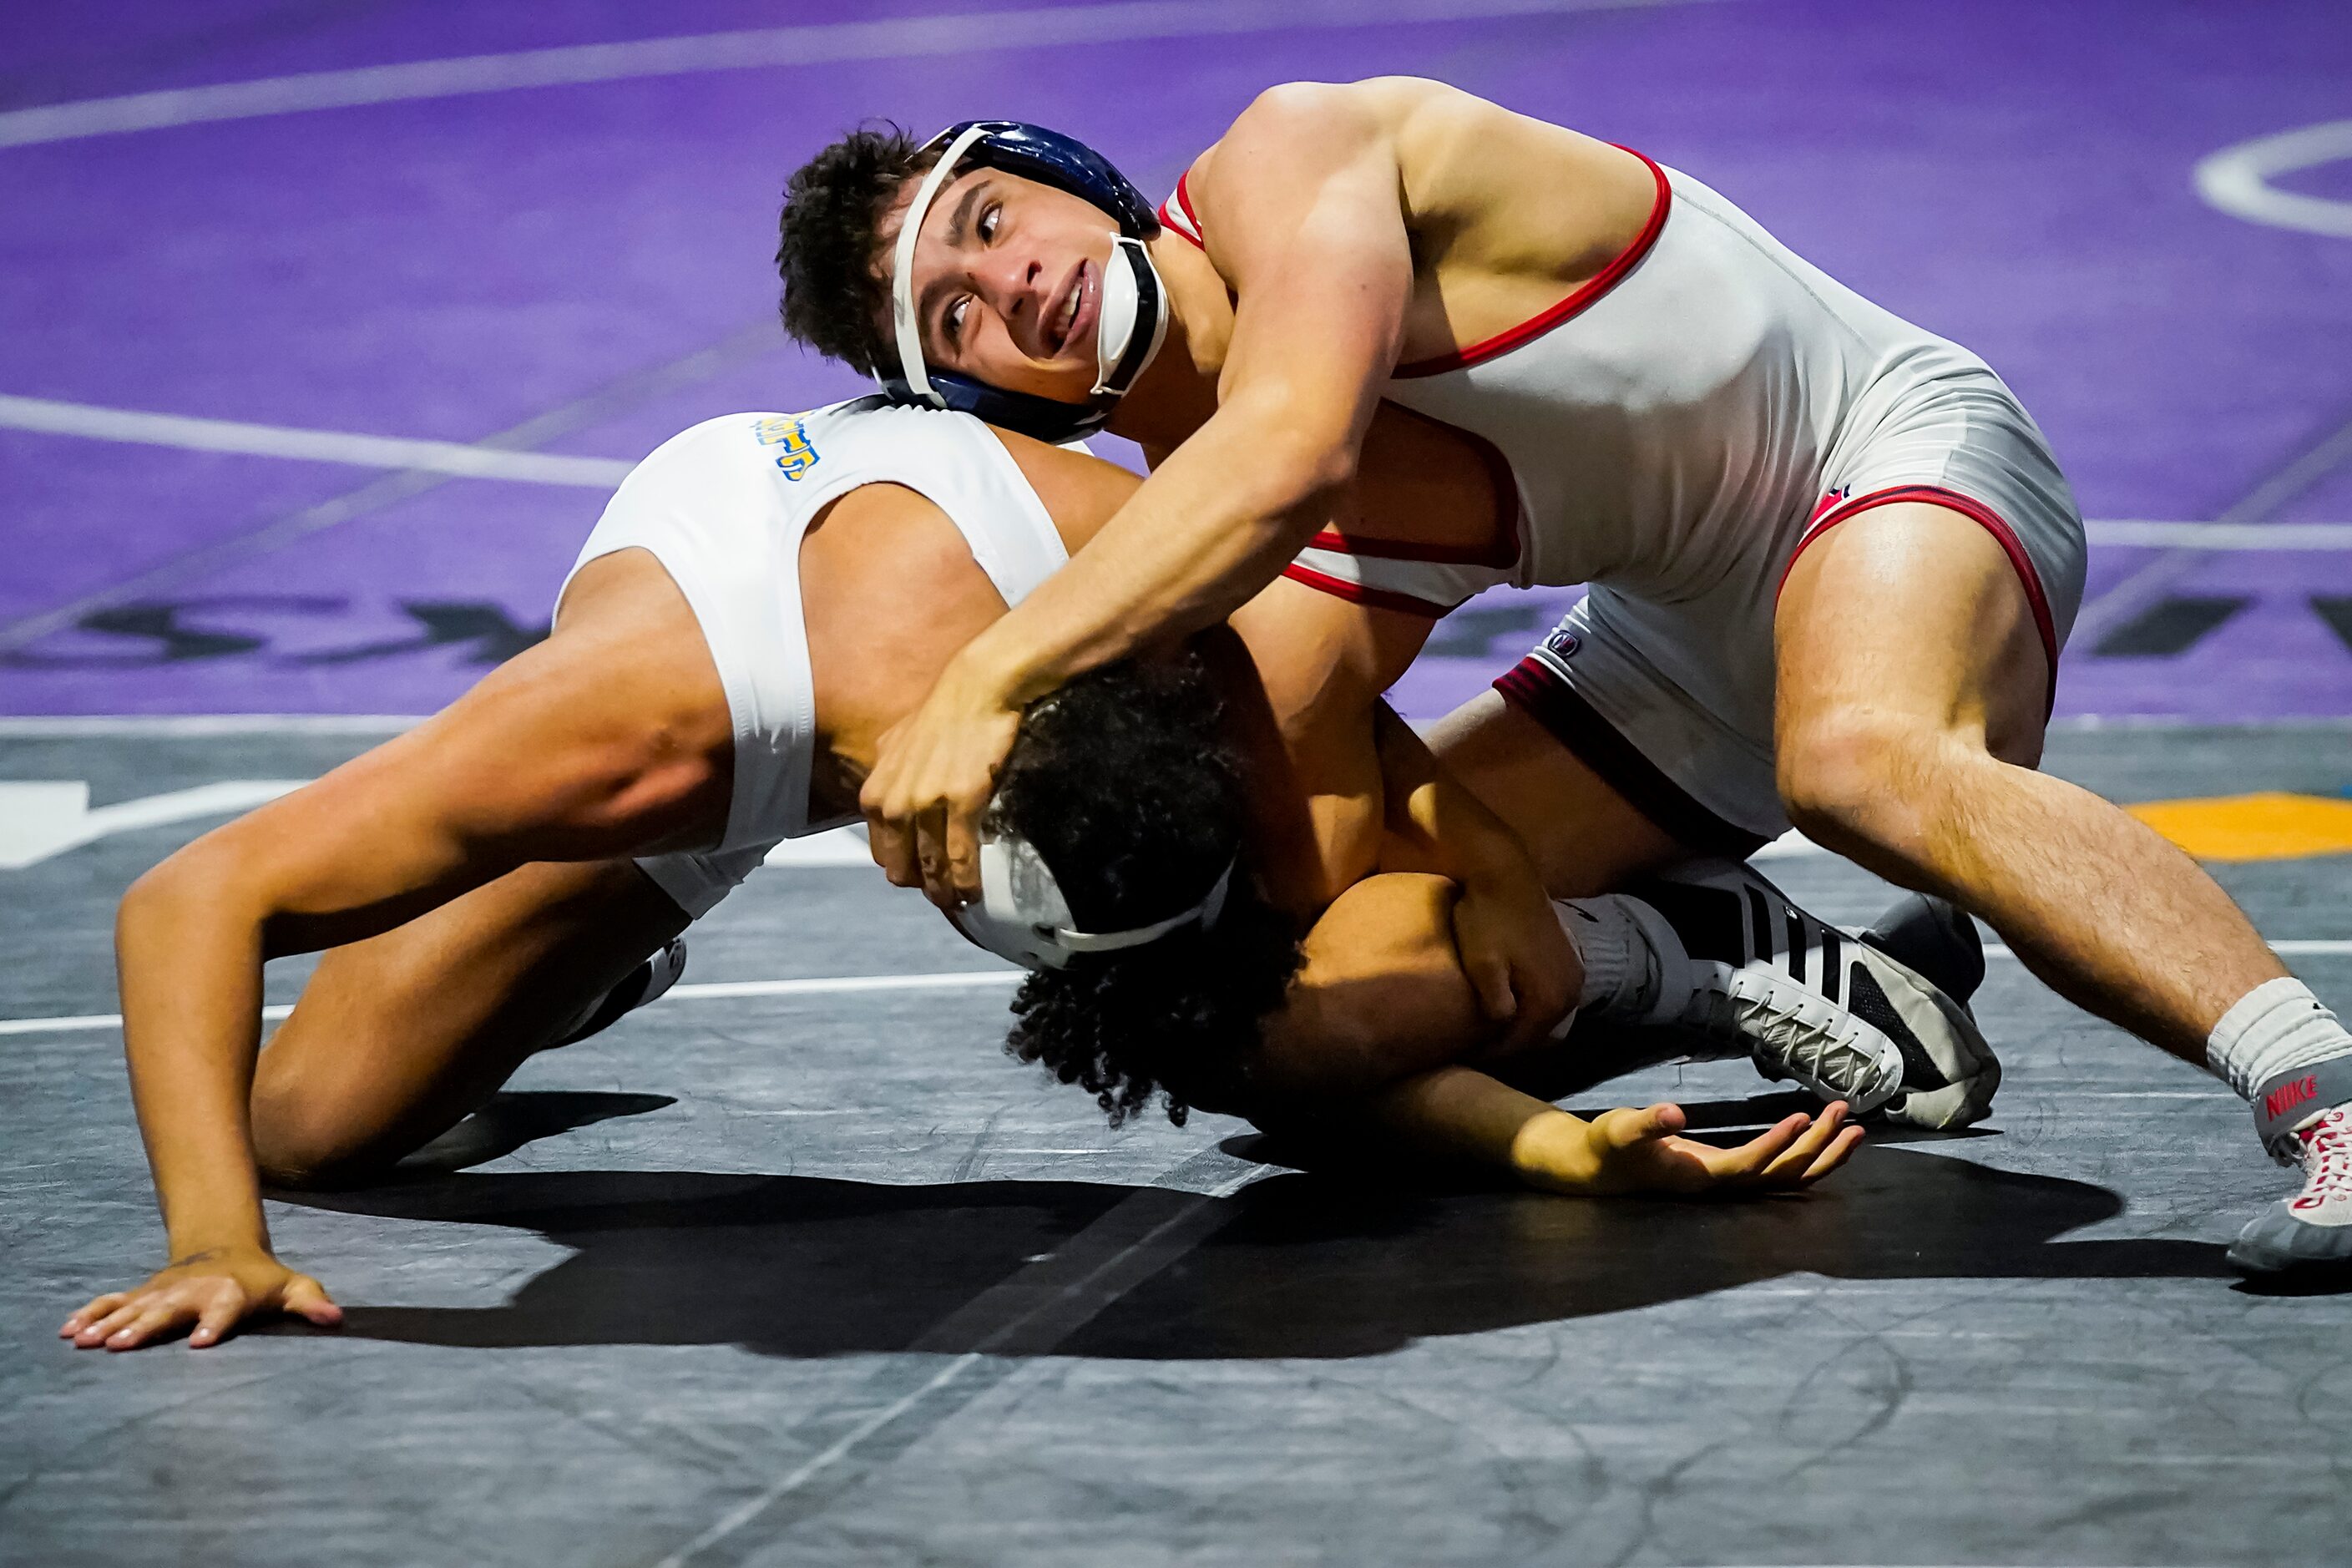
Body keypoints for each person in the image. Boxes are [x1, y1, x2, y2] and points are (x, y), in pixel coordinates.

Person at [776, 89, 2352, 1273]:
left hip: (1891, 464)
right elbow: (1313, 849)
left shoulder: (1291, 160)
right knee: (1285, 1022)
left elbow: (1296, 447)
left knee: (1859, 755)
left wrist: (990, 674)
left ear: (1063, 177)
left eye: (989, 224)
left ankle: (2322, 1092)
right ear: (986, 390)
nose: (1009, 286)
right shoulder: (1202, 487)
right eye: (955, 317)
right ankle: (1696, 954)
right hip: (1678, 660)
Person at [58, 399, 1865, 1356]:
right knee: (308, 1128)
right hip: (755, 653)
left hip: (1012, 642)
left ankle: (1659, 947)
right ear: (920, 848)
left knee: (1425, 952)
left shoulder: (1185, 643)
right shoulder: (638, 741)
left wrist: (1547, 1123)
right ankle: (596, 962)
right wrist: (222, 1243)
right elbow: (186, 903)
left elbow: (1227, 1008)